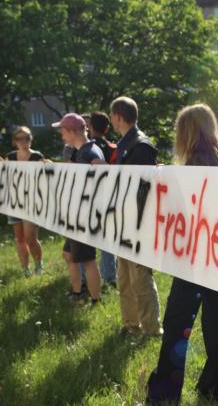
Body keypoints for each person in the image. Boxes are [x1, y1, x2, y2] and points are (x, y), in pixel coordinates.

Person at [146, 104, 218, 406]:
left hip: (194, 259)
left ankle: (164, 394)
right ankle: (214, 389)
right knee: (217, 320)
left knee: (176, 323)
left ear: (187, 133)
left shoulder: (192, 169)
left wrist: (162, 181)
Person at [110, 96, 163, 336]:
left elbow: (142, 190)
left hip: (137, 223)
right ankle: (131, 325)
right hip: (123, 221)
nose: (111, 120)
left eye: (112, 116)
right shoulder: (124, 143)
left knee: (140, 278)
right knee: (124, 277)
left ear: (119, 116)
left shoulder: (141, 146)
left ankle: (151, 329)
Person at [52, 113, 105, 304]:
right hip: (76, 214)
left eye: (63, 131)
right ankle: (77, 292)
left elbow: (102, 180)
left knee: (88, 260)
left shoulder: (91, 153)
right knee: (69, 255)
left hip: (84, 215)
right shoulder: (79, 151)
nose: (61, 136)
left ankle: (95, 299)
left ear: (73, 131)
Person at [0, 126, 47, 277]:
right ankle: (25, 269)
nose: (23, 141)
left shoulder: (37, 156)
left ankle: (39, 264)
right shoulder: (11, 157)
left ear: (30, 139)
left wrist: (46, 166)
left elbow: (44, 179)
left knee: (30, 238)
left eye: (26, 138)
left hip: (32, 203)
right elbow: (3, 178)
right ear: (15, 141)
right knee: (20, 238)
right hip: (14, 202)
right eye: (19, 138)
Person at [87, 111, 118, 288]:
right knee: (108, 238)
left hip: (91, 199)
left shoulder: (87, 148)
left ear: (90, 126)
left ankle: (105, 277)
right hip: (110, 197)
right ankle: (110, 275)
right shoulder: (113, 148)